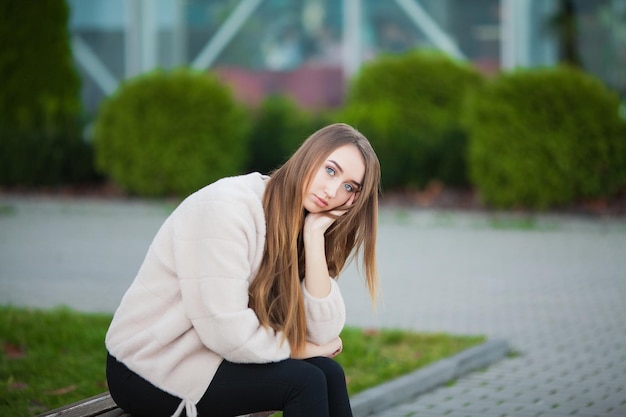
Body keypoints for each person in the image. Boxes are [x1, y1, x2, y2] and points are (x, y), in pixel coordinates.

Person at [105, 123, 381, 417]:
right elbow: (226, 331)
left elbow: (323, 332)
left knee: (329, 373)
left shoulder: (300, 221)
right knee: (306, 381)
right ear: (309, 156)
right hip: (151, 364)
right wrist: (298, 349)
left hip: (209, 355)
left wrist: (314, 239)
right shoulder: (230, 208)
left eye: (349, 187)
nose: (332, 191)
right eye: (330, 170)